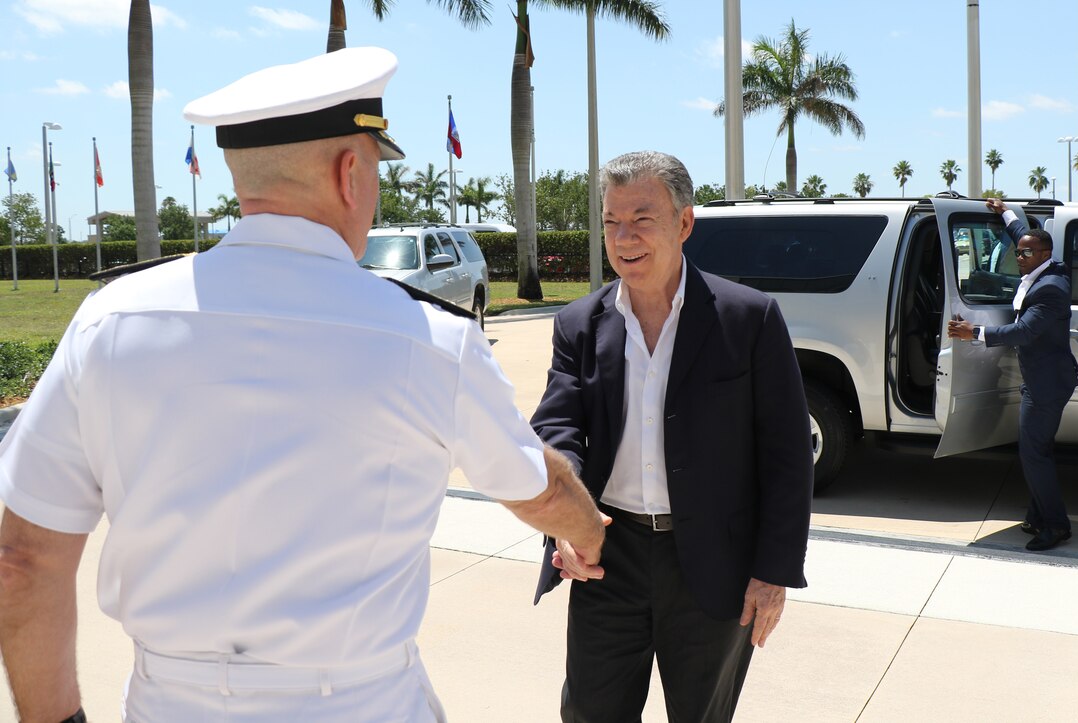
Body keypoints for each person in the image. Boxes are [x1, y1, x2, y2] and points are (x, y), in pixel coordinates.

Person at [0, 47, 605, 722]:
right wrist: (590, 531)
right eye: (376, 167)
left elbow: (23, 557)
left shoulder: (108, 322)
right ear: (351, 173)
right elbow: (537, 488)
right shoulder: (430, 340)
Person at [531, 151, 813, 721]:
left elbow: (787, 453)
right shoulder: (578, 325)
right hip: (607, 553)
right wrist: (565, 524)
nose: (623, 236)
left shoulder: (749, 319)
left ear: (685, 223)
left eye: (642, 218)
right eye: (611, 220)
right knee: (589, 712)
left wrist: (773, 572)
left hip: (715, 563)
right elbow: (559, 430)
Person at [948, 198, 1078, 552]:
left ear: (1042, 254)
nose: (1017, 257)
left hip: (1047, 383)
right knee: (1037, 449)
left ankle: (1055, 525)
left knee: (1034, 453)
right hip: (1042, 378)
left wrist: (972, 332)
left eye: (1023, 255)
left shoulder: (1051, 288)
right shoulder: (1042, 266)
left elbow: (1023, 333)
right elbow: (1023, 234)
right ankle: (1038, 516)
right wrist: (1005, 212)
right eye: (1018, 253)